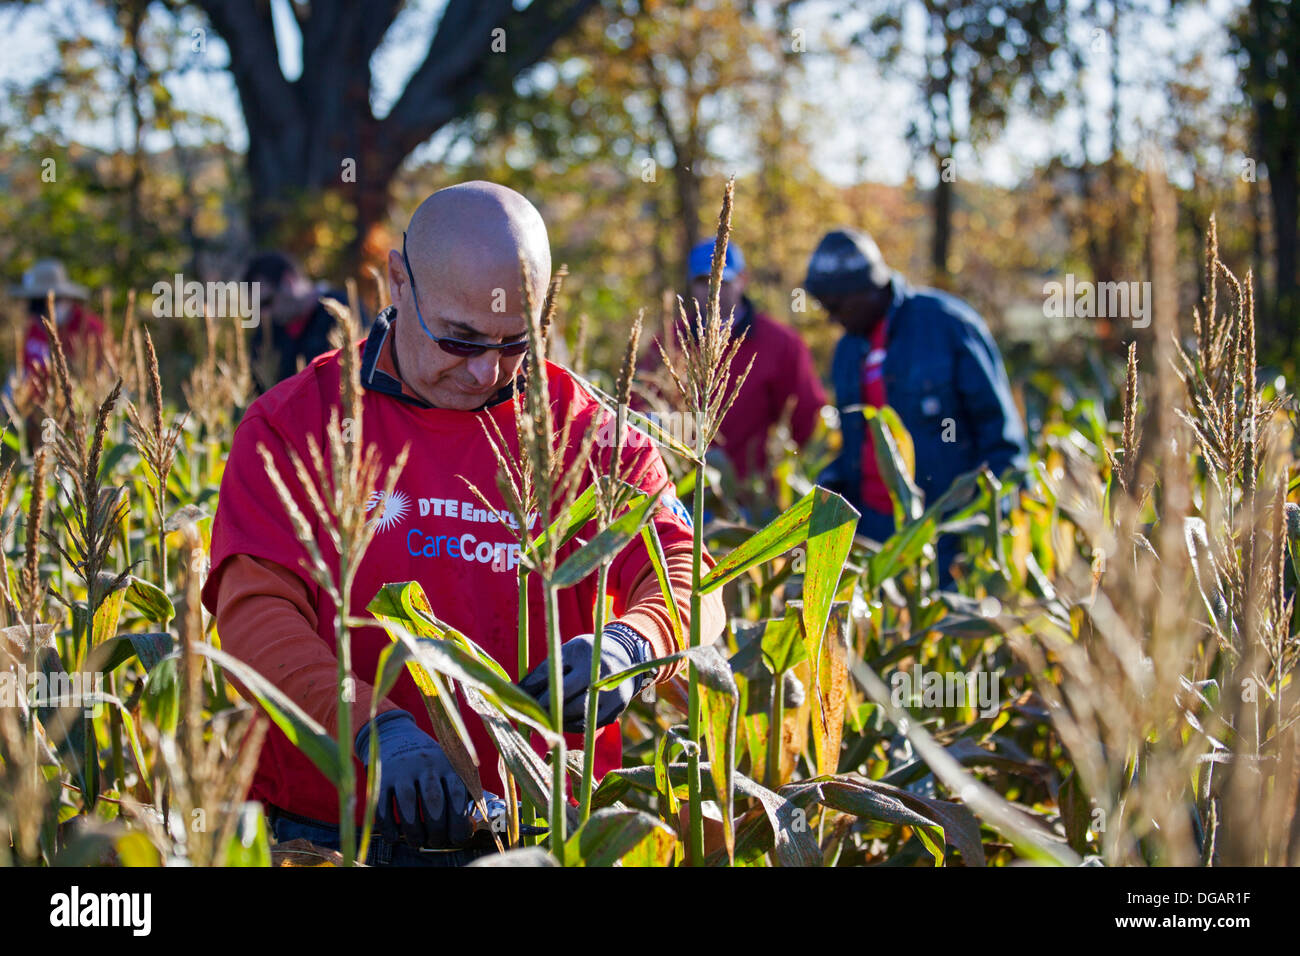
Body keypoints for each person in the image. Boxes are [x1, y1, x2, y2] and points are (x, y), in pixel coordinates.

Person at [201, 182, 724, 866]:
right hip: (339, 836)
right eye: (461, 338)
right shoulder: (295, 424)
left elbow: (690, 579)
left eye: (517, 344)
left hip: (545, 832)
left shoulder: (594, 433)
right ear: (397, 281)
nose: (485, 371)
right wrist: (372, 727)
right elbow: (253, 614)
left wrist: (630, 644)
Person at [805, 228, 1028, 575]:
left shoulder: (947, 325)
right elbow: (854, 447)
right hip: (874, 531)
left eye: (835, 306)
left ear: (868, 288)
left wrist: (994, 526)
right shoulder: (848, 350)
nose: (832, 319)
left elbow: (999, 435)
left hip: (946, 533)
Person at [641, 239, 827, 495]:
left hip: (754, 494)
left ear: (743, 279)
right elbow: (643, 408)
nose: (712, 289)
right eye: (702, 280)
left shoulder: (781, 343)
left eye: (723, 281)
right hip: (685, 489)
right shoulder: (670, 341)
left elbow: (806, 417)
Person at [243, 252, 359, 393]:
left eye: (267, 302)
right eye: (257, 308)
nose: (264, 314)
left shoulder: (342, 309)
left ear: (288, 281)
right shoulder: (267, 335)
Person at [8, 259, 108, 406]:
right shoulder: (34, 327)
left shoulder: (90, 328)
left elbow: (106, 378)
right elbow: (20, 371)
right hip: (34, 414)